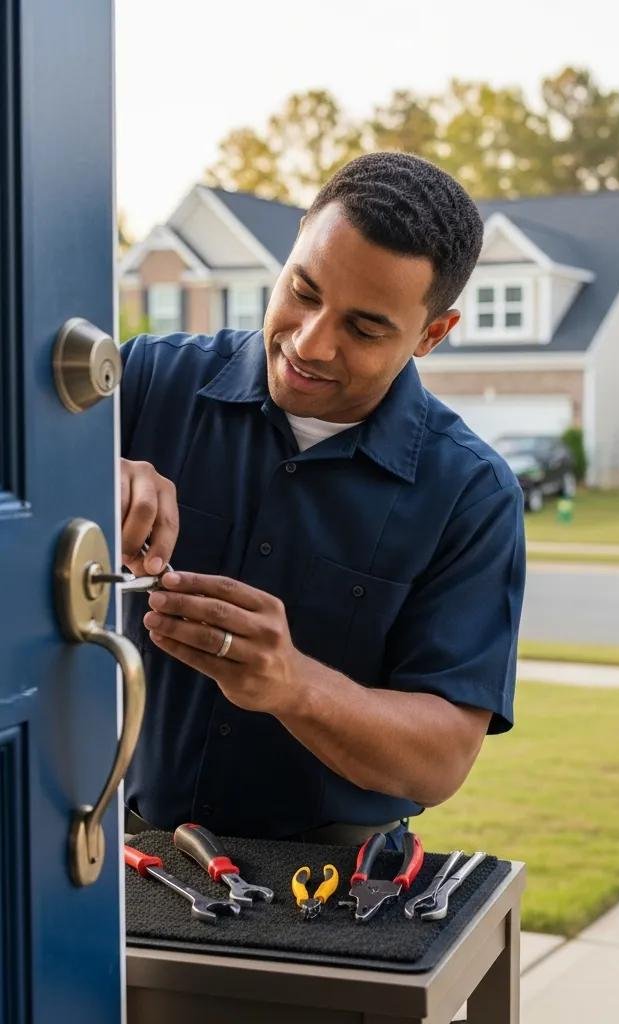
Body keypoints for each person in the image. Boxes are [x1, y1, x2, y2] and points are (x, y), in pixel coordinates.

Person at [119, 152, 526, 844]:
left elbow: (442, 760)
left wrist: (294, 686)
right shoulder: (144, 381)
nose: (310, 343)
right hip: (131, 857)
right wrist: (86, 474)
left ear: (433, 334)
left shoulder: (472, 494)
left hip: (338, 890)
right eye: (303, 293)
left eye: (363, 329)